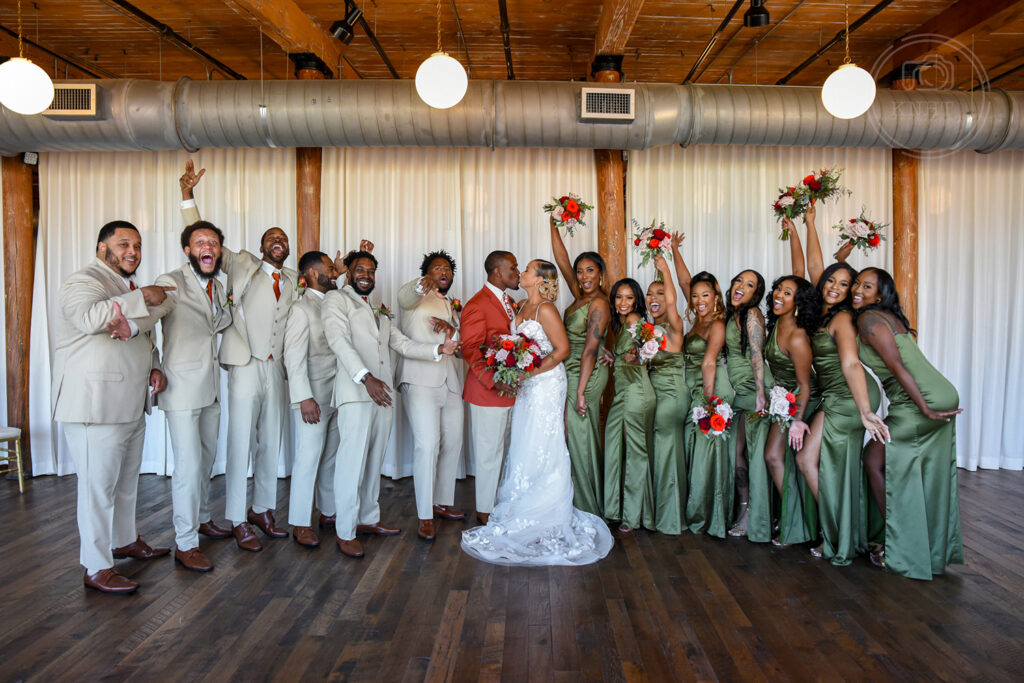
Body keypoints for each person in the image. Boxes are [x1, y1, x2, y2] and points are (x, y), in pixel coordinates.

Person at [461, 260, 614, 566]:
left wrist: (528, 373)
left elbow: (562, 350)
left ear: (541, 280)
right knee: (524, 442)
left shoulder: (546, 309)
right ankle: (521, 500)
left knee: (544, 443)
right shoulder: (520, 309)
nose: (523, 273)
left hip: (545, 385)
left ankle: (547, 508)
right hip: (526, 388)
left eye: (528, 269)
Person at [180, 161, 296, 552]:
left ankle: (263, 508)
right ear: (263, 246)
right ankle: (236, 518)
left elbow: (321, 290)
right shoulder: (242, 262)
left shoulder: (294, 278)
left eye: (283, 238)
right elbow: (204, 240)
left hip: (275, 368)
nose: (278, 241)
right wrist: (187, 198)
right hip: (245, 365)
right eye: (272, 237)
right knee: (241, 441)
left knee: (271, 441)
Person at [52, 220, 174, 593]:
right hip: (95, 406)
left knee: (125, 485)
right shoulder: (82, 281)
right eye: (123, 244)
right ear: (102, 247)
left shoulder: (126, 285)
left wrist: (154, 366)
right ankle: (96, 566)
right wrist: (144, 298)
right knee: (97, 489)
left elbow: (142, 334)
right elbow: (90, 319)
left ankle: (123, 540)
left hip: (130, 401)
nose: (132, 252)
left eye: (136, 245)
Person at [323, 251, 458, 557]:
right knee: (351, 463)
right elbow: (338, 341)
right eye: (360, 270)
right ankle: (345, 531)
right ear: (348, 274)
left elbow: (402, 344)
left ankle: (368, 518)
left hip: (382, 394)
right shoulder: (337, 300)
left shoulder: (378, 310)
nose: (366, 275)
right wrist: (365, 377)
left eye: (371, 271)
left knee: (374, 460)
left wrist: (440, 348)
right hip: (357, 392)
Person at [790, 208, 889, 563]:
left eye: (844, 285)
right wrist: (810, 223)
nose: (833, 287)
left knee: (813, 461)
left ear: (851, 292)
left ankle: (842, 537)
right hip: (834, 395)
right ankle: (841, 531)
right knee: (806, 460)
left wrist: (865, 411)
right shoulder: (824, 309)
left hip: (849, 397)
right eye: (832, 281)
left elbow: (850, 363)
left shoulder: (844, 318)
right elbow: (817, 266)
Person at [852, 268, 963, 579]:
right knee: (915, 469)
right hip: (933, 393)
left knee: (874, 462)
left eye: (867, 286)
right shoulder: (889, 317)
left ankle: (896, 545)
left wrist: (924, 407)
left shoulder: (869, 320)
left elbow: (896, 366)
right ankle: (923, 545)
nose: (858, 289)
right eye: (857, 283)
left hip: (920, 399)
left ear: (880, 294)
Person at [155, 220, 234, 572]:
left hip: (210, 387)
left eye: (214, 242)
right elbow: (148, 320)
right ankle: (185, 543)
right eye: (200, 241)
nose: (208, 247)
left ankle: (203, 518)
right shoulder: (170, 282)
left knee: (206, 459)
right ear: (188, 250)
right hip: (182, 389)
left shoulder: (219, 285)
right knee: (187, 468)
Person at [284, 248, 361, 548]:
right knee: (308, 457)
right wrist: (303, 397)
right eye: (330, 268)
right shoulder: (301, 309)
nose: (336, 271)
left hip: (338, 393)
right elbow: (293, 356)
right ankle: (301, 522)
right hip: (313, 397)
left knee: (330, 456)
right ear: (313, 274)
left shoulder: (334, 301)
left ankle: (328, 511)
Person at [396, 250, 466, 540]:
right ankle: (424, 514)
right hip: (420, 378)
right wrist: (418, 285)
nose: (444, 272)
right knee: (427, 446)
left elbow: (459, 345)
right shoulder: (415, 297)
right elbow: (404, 297)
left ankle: (441, 502)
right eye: (437, 268)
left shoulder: (449, 303)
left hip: (450, 381)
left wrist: (454, 328)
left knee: (452, 442)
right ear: (426, 273)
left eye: (448, 268)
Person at [549, 217, 611, 516]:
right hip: (569, 367)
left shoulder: (599, 303)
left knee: (579, 431)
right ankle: (576, 499)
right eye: (580, 271)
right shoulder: (579, 295)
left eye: (590, 270)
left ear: (601, 273)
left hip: (586, 371)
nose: (584, 276)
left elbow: (590, 349)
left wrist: (584, 391)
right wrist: (553, 226)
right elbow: (561, 260)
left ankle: (588, 506)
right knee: (570, 432)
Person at [460, 251, 522, 525]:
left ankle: (500, 503)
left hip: (510, 391)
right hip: (487, 392)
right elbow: (470, 348)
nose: (517, 272)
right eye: (513, 267)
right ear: (497, 272)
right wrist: (492, 379)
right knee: (488, 454)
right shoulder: (477, 304)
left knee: (505, 450)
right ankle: (485, 511)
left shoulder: (509, 302)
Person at [763, 275, 821, 546]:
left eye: (787, 292)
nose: (778, 294)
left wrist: (797, 420)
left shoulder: (797, 337)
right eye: (778, 289)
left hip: (800, 400)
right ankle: (794, 519)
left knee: (773, 456)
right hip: (782, 398)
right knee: (774, 458)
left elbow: (805, 386)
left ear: (798, 301)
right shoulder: (776, 323)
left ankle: (796, 524)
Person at [682, 272, 736, 537]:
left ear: (716, 297)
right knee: (696, 450)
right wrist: (674, 253)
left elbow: (709, 361)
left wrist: (711, 402)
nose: (699, 300)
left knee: (707, 452)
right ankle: (698, 511)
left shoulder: (716, 324)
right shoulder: (696, 321)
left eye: (705, 295)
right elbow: (684, 281)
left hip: (712, 388)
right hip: (697, 389)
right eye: (694, 296)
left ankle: (708, 517)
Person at [721, 268, 772, 542]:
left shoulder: (751, 314)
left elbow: (756, 354)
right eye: (739, 280)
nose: (741, 286)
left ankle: (757, 517)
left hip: (754, 390)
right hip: (738, 393)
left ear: (756, 294)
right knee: (736, 451)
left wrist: (761, 393)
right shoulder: (733, 315)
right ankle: (745, 508)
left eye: (749, 284)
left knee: (754, 454)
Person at [603, 278, 656, 533]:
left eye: (629, 297)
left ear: (636, 301)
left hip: (636, 391)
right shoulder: (623, 322)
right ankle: (613, 508)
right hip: (623, 392)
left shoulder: (635, 319)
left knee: (635, 453)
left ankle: (632, 516)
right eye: (618, 297)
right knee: (613, 444)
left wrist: (631, 357)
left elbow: (646, 354)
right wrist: (615, 356)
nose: (623, 303)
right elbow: (629, 353)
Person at [645, 254, 688, 534]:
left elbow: (672, 302)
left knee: (668, 452)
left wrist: (666, 270)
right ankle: (661, 512)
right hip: (656, 395)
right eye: (649, 294)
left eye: (659, 292)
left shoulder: (674, 327)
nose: (653, 298)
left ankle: (671, 519)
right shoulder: (646, 329)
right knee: (660, 452)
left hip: (671, 395)